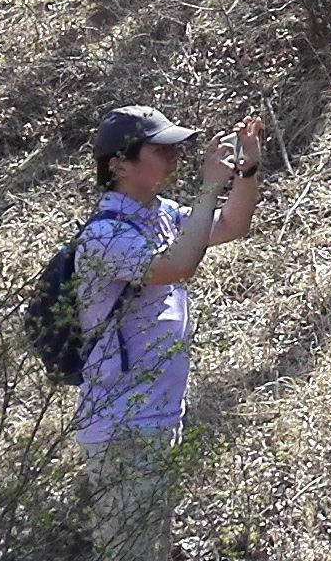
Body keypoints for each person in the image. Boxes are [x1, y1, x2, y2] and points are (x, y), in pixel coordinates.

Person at [72, 104, 262, 560]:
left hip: (157, 418)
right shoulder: (104, 236)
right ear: (119, 166)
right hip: (122, 429)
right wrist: (211, 186)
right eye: (160, 149)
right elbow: (177, 265)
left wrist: (247, 171)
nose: (174, 156)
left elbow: (232, 225)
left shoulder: (161, 214)